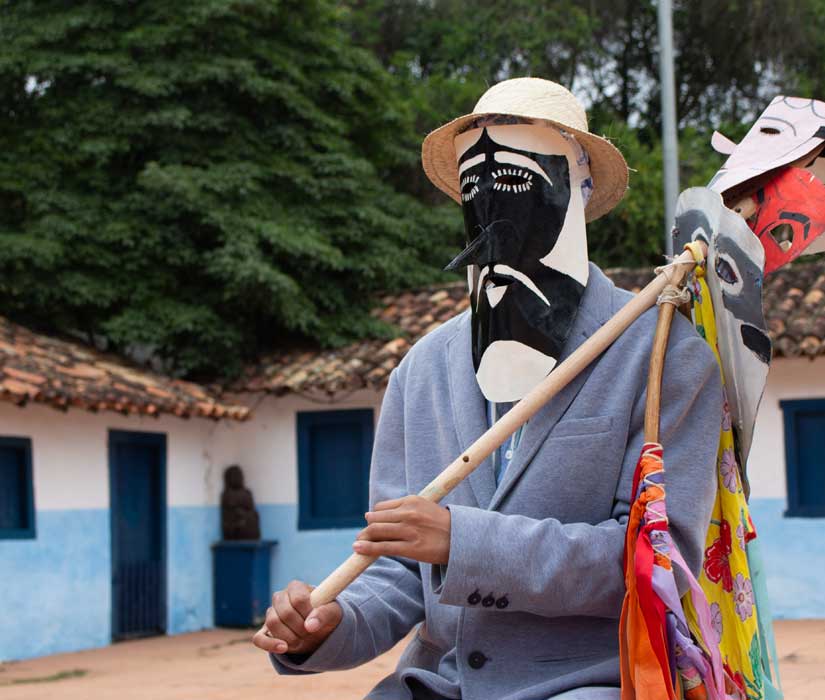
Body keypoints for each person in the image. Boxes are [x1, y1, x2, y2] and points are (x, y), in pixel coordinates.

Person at [252, 77, 721, 700]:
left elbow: (654, 565)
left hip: (588, 684)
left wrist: (464, 541)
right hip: (437, 684)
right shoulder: (422, 369)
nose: (494, 209)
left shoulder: (663, 358)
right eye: (475, 185)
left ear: (579, 184)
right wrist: (329, 624)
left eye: (519, 182)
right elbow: (398, 569)